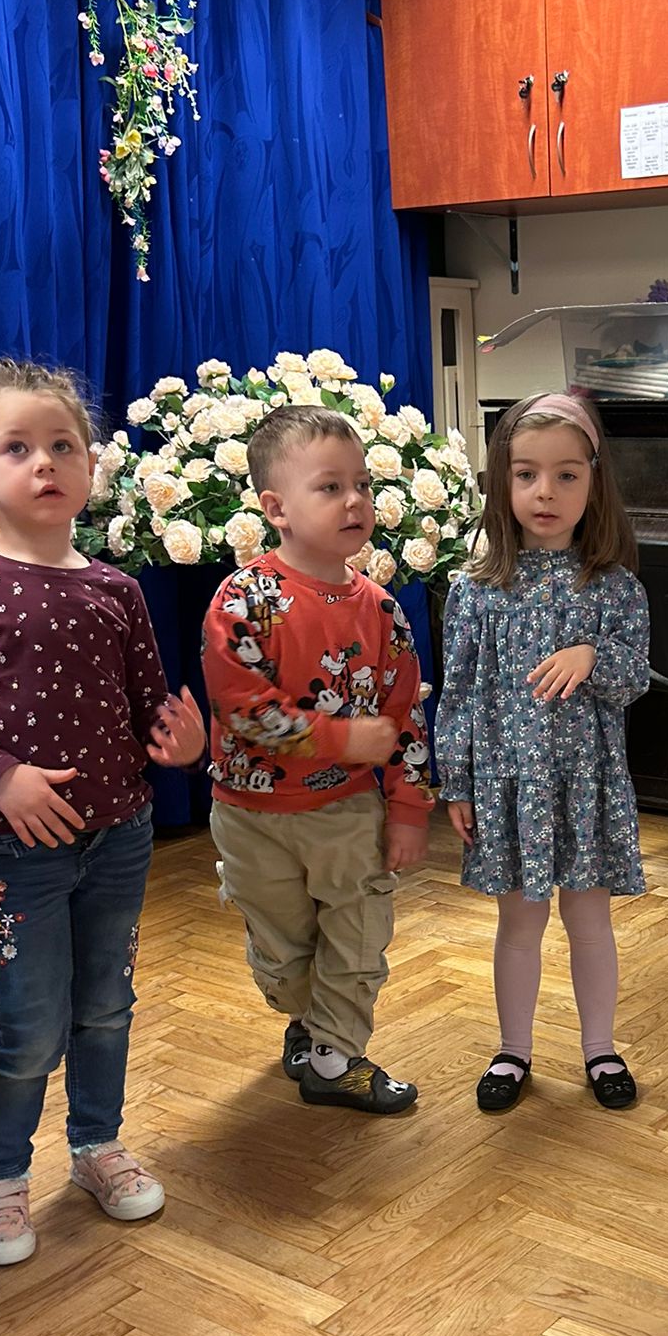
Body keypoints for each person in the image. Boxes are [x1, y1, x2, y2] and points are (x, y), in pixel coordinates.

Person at [0, 358, 205, 1266]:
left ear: (91, 465)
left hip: (121, 838)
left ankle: (97, 1144)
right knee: (28, 1023)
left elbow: (151, 709)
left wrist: (182, 742)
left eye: (63, 445)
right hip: (14, 850)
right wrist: (0, 775)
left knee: (106, 1006)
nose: (44, 463)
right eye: (18, 447)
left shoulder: (117, 589)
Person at [202, 405, 432, 1114]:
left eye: (363, 484)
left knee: (358, 936)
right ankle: (307, 1023)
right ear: (276, 509)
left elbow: (405, 716)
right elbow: (242, 707)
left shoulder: (383, 611)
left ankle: (335, 1056)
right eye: (331, 487)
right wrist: (340, 738)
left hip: (347, 812)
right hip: (251, 817)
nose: (355, 500)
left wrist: (408, 811)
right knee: (283, 954)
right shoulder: (244, 600)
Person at [435, 391, 649, 1113]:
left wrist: (593, 655)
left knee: (590, 924)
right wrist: (456, 782)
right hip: (507, 782)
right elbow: (457, 692)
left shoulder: (615, 588)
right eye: (525, 474)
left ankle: (600, 1048)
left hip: (586, 784)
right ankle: (513, 1050)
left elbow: (634, 678)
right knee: (518, 926)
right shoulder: (475, 589)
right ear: (501, 479)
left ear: (594, 481)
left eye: (566, 475)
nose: (544, 492)